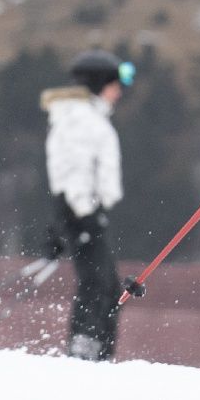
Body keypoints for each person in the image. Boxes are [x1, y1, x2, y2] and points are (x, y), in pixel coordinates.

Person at [39, 49, 133, 361]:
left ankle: (97, 353)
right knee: (98, 285)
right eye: (115, 83)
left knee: (107, 285)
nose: (119, 90)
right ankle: (85, 352)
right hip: (83, 214)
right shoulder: (81, 120)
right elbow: (75, 171)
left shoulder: (86, 117)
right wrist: (85, 214)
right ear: (97, 84)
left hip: (84, 213)